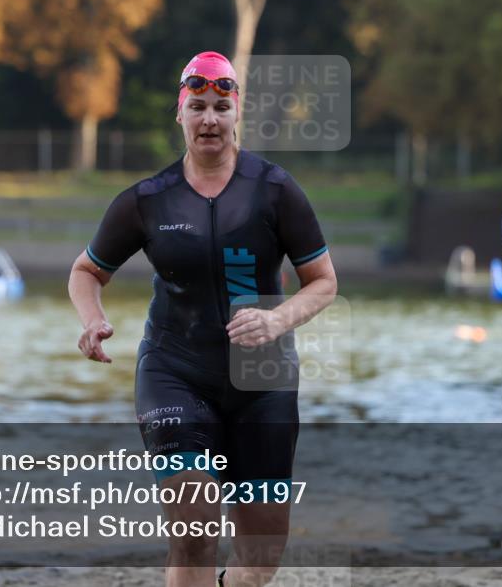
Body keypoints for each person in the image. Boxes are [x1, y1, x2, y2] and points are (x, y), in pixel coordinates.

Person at [68, 51, 338, 587]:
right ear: (180, 114)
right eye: (197, 107)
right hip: (175, 370)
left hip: (262, 379)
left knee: (259, 558)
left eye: (220, 106)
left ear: (237, 112)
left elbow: (324, 282)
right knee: (193, 528)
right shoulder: (148, 200)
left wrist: (278, 320)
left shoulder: (275, 190)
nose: (209, 119)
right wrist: (92, 319)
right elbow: (85, 271)